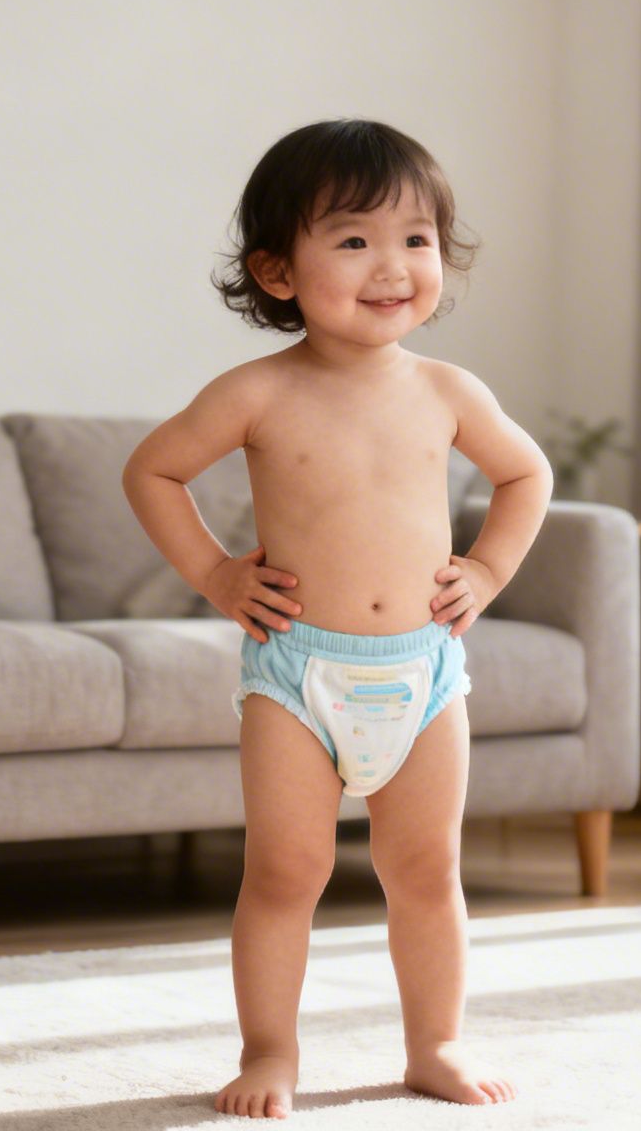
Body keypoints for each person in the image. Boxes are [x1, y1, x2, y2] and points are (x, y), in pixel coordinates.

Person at [123, 119, 550, 1119]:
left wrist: (487, 568)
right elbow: (152, 470)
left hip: (424, 672)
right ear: (277, 271)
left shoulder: (448, 391)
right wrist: (215, 573)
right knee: (285, 871)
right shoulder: (259, 392)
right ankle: (269, 1051)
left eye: (416, 239)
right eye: (354, 240)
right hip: (296, 676)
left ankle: (435, 1043)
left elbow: (525, 474)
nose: (392, 265)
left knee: (426, 870)